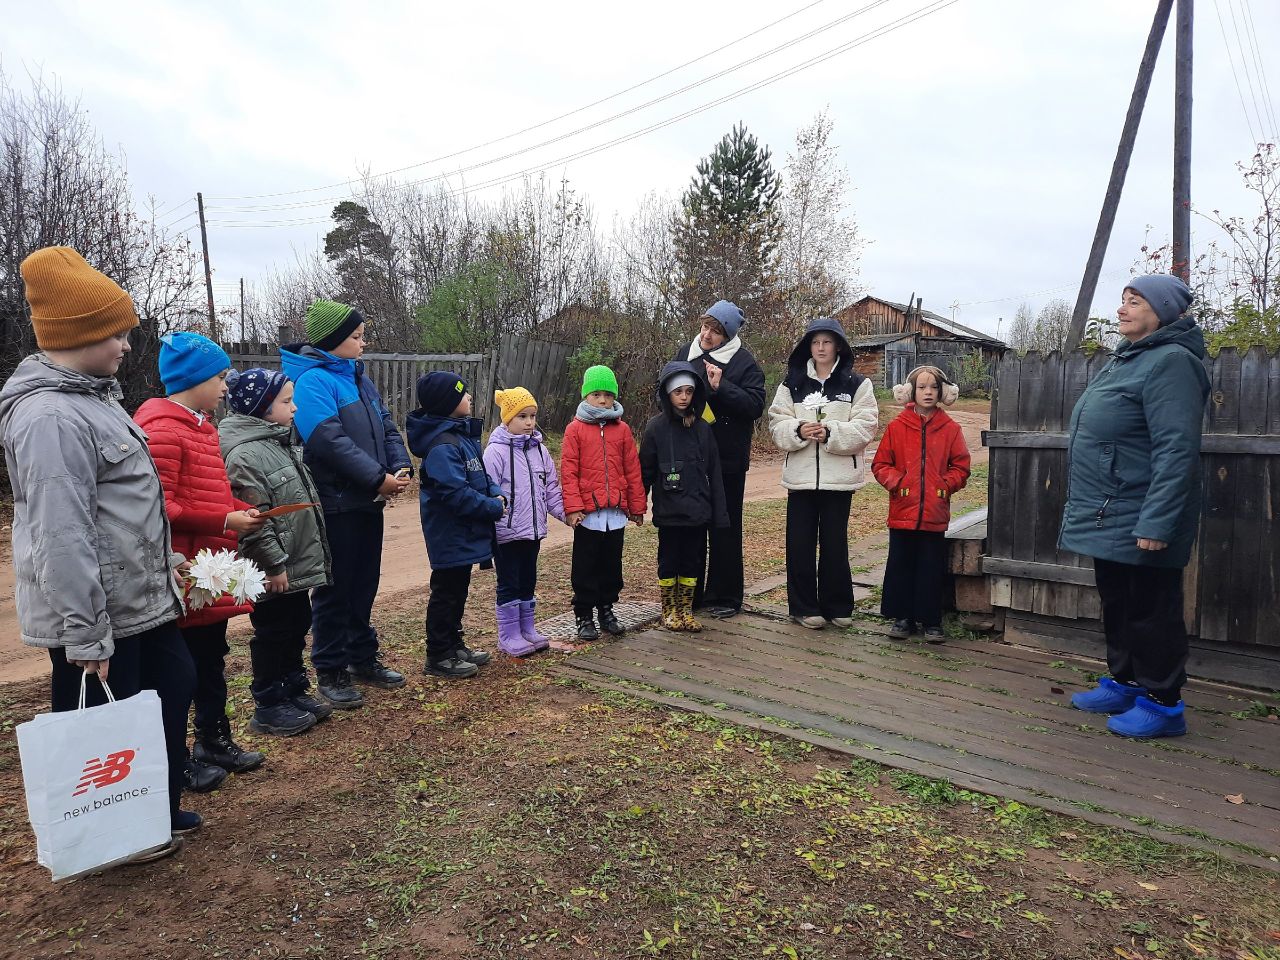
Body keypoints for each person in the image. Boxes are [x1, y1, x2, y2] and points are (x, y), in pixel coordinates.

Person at [0, 246, 200, 858]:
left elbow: (126, 509)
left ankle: (153, 811)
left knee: (171, 688)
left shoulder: (95, 400)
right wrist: (86, 638)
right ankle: (114, 834)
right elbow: (61, 535)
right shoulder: (49, 418)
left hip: (139, 599)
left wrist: (166, 566)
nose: (125, 344)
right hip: (101, 615)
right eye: (115, 332)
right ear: (78, 332)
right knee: (106, 727)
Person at [1060, 274, 1210, 739]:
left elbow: (1176, 448)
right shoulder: (1127, 359)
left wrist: (1158, 520)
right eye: (1122, 300)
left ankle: (1163, 702)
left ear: (1162, 312)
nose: (1122, 309)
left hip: (1143, 510)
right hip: (1111, 506)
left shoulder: (1172, 362)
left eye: (1135, 301)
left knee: (1152, 608)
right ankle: (1125, 681)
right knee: (1119, 602)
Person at [135, 333, 266, 792]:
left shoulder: (202, 426)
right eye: (220, 377)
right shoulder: (164, 432)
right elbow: (159, 507)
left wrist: (236, 509)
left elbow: (206, 491)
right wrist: (222, 518)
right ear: (192, 380)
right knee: (184, 667)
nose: (226, 385)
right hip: (186, 570)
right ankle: (181, 758)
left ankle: (214, 738)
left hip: (211, 563)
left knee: (212, 656)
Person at [281, 300, 413, 709]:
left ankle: (361, 657)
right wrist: (377, 477)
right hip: (337, 502)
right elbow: (328, 442)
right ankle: (331, 668)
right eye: (356, 337)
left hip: (367, 500)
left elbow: (387, 425)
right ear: (333, 340)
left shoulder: (358, 378)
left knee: (364, 584)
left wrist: (400, 464)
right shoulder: (313, 382)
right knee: (335, 589)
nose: (363, 342)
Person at [220, 368, 334, 736]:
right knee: (272, 632)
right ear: (263, 407)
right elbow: (255, 519)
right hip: (275, 569)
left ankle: (293, 689)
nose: (295, 408)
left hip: (293, 565)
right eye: (287, 402)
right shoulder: (244, 455)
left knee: (296, 625)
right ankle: (269, 702)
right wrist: (273, 565)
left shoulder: (276, 443)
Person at [768, 318, 879, 628]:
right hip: (800, 479)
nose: (820, 348)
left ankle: (838, 605)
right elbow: (776, 423)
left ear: (838, 346)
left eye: (827, 342)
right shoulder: (792, 384)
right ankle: (803, 608)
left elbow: (866, 425)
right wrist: (799, 429)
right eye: (815, 342)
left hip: (839, 479)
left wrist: (831, 432)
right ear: (808, 346)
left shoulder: (857, 384)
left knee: (834, 544)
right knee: (800, 544)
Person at [674, 300, 766, 618]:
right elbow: (667, 388)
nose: (707, 334)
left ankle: (726, 596)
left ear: (727, 335)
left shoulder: (744, 363)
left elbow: (755, 405)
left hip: (727, 459)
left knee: (725, 528)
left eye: (715, 330)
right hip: (691, 457)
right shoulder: (687, 352)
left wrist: (721, 386)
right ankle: (694, 594)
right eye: (705, 326)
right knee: (694, 525)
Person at [407, 372, 502, 678]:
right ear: (447, 403)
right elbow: (455, 493)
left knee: (459, 589)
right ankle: (437, 654)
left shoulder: (462, 437)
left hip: (464, 533)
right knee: (446, 592)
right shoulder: (442, 446)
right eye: (463, 394)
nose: (470, 397)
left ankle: (454, 644)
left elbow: (481, 475)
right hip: (449, 533)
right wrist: (491, 508)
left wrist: (496, 493)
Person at [872, 366, 971, 642]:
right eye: (922, 387)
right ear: (910, 392)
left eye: (934, 387)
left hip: (934, 512)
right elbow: (881, 464)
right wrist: (897, 483)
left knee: (930, 567)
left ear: (943, 392)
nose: (928, 392)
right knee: (901, 564)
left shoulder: (951, 429)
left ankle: (931, 620)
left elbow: (961, 467)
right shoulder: (896, 427)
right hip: (902, 510)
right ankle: (902, 617)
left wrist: (944, 486)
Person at [640, 361, 729, 631]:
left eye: (689, 392)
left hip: (697, 513)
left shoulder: (703, 428)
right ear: (667, 394)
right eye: (678, 391)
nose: (683, 397)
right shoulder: (655, 428)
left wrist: (719, 513)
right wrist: (636, 503)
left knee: (692, 562)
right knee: (668, 562)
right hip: (669, 513)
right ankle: (668, 610)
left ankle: (686, 610)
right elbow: (645, 470)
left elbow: (714, 473)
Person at [560, 365, 647, 642]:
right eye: (596, 394)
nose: (602, 400)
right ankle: (584, 613)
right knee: (586, 565)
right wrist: (573, 507)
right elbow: (569, 471)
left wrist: (636, 507)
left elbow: (632, 469)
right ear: (586, 396)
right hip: (588, 514)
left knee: (611, 564)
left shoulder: (621, 430)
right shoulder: (575, 430)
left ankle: (607, 609)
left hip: (616, 512)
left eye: (607, 395)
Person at [483, 387, 567, 657]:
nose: (529, 423)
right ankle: (509, 634)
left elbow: (551, 489)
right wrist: (498, 518)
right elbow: (487, 490)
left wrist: (567, 514)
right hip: (506, 534)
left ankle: (527, 628)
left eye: (532, 416)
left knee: (528, 580)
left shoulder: (540, 451)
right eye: (522, 417)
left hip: (533, 532)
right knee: (509, 581)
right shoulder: (495, 452)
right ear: (508, 419)